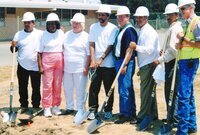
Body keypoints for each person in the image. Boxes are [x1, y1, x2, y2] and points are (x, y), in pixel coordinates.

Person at [131, 6, 160, 130]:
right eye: (137, 17)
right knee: (150, 92)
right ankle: (153, 115)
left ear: (146, 18)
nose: (138, 19)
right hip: (145, 65)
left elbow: (149, 50)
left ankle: (142, 116)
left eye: (141, 17)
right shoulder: (142, 30)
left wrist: (135, 47)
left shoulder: (149, 31)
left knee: (145, 92)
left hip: (149, 65)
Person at [154, 3, 182, 124]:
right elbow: (169, 48)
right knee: (169, 90)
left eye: (171, 15)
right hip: (170, 63)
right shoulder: (172, 27)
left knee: (171, 92)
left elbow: (173, 51)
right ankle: (171, 115)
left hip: (173, 64)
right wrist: (163, 51)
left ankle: (173, 118)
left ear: (176, 15)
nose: (168, 17)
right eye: (167, 15)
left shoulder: (175, 28)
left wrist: (160, 59)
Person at [88, 5, 118, 120]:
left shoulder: (113, 28)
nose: (100, 17)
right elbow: (91, 44)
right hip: (95, 64)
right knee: (94, 87)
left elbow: (110, 46)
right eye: (99, 15)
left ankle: (108, 110)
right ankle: (92, 110)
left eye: (103, 15)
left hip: (108, 64)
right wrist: (93, 60)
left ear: (108, 16)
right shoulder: (93, 27)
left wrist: (101, 59)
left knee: (108, 88)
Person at [10, 12, 42, 114]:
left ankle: (36, 106)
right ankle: (23, 105)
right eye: (25, 23)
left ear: (34, 23)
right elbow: (13, 50)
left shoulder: (40, 34)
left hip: (36, 66)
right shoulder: (18, 34)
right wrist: (13, 46)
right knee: (22, 86)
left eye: (29, 22)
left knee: (36, 87)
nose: (27, 24)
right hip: (22, 65)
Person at [176, 0, 200, 134]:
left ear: (191, 7)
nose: (181, 11)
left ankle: (182, 130)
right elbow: (186, 43)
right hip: (185, 61)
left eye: (183, 8)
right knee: (188, 95)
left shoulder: (196, 22)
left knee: (183, 96)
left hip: (189, 62)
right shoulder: (187, 23)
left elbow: (199, 44)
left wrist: (183, 39)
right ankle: (191, 125)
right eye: (181, 9)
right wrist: (179, 43)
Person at [113, 6, 138, 124]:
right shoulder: (122, 29)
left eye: (122, 17)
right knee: (122, 87)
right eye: (118, 17)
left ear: (127, 17)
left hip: (125, 61)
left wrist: (125, 64)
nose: (119, 18)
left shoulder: (129, 30)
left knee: (125, 88)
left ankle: (127, 114)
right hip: (119, 60)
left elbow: (130, 49)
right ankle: (125, 111)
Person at [37, 13, 64, 117]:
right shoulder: (42, 35)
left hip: (59, 61)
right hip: (47, 61)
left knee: (57, 85)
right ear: (47, 24)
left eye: (54, 24)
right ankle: (47, 107)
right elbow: (39, 52)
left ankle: (56, 106)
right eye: (50, 24)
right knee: (47, 85)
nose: (52, 26)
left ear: (57, 24)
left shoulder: (61, 33)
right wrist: (40, 66)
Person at [63, 13, 90, 114]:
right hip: (67, 68)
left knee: (80, 90)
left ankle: (80, 109)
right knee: (67, 89)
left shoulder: (86, 37)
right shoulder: (66, 35)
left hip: (80, 68)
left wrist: (86, 67)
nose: (75, 25)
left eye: (77, 23)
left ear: (82, 24)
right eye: (73, 23)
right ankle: (69, 107)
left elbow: (89, 54)